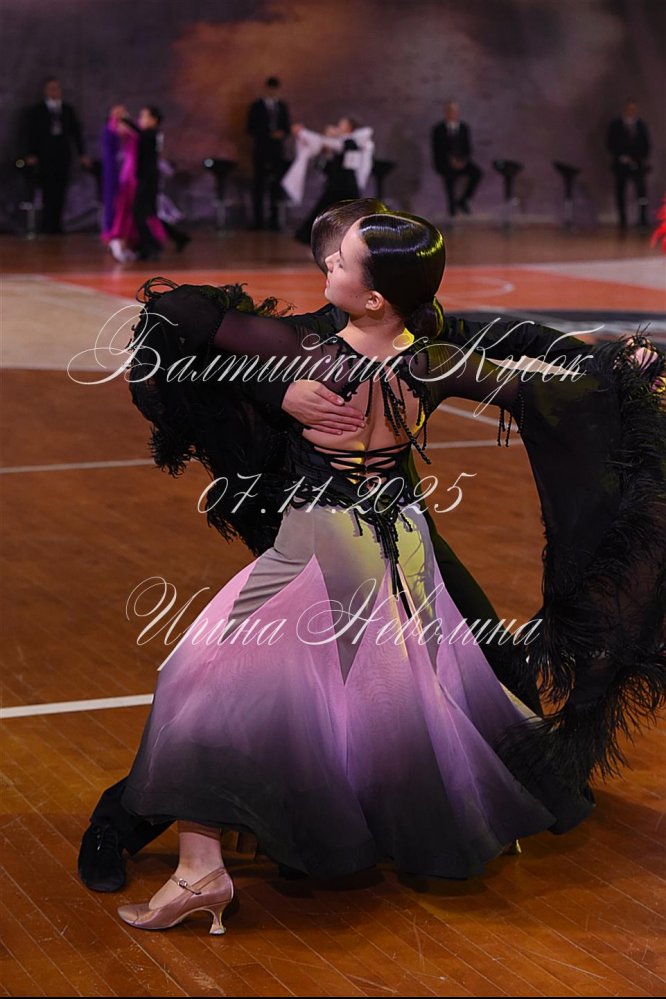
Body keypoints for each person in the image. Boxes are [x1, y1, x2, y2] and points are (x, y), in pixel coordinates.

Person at [101, 211, 662, 932]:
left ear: (371, 297)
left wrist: (271, 386)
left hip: (323, 544)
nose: (328, 265)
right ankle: (222, 861)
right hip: (404, 544)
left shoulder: (304, 352)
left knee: (201, 680)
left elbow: (176, 313)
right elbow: (543, 394)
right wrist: (622, 370)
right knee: (384, 702)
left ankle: (200, 870)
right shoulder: (432, 359)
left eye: (342, 261)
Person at [291, 117, 374, 244]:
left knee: (347, 210)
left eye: (342, 125)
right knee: (330, 209)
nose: (338, 127)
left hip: (345, 183)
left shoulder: (353, 141)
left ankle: (359, 238)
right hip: (340, 182)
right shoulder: (343, 141)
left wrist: (303, 133)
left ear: (349, 128)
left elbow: (331, 144)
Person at [24, 76, 89, 234]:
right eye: (50, 88)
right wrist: (31, 153)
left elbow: (76, 133)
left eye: (56, 88)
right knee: (47, 190)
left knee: (61, 190)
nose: (54, 91)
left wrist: (82, 153)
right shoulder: (38, 111)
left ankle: (57, 224)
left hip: (63, 155)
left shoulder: (67, 110)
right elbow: (30, 134)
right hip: (45, 156)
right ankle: (46, 224)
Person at [246, 77, 291, 231]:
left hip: (277, 152)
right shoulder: (256, 106)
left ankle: (274, 221)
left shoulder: (282, 106)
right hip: (261, 151)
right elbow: (250, 128)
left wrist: (282, 133)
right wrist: (267, 133)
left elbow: (287, 127)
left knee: (276, 187)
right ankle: (258, 221)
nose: (273, 91)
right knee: (259, 186)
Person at [122, 106, 166, 260]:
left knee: (138, 213)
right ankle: (148, 246)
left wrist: (125, 119)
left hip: (148, 179)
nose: (140, 120)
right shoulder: (151, 134)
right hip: (147, 178)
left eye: (144, 117)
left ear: (153, 120)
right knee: (144, 213)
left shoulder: (151, 134)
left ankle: (151, 246)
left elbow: (140, 133)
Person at [432, 100, 483, 217]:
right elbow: (437, 150)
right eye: (449, 111)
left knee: (477, 173)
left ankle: (463, 200)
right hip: (445, 163)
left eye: (454, 111)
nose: (452, 114)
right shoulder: (438, 129)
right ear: (445, 113)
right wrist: (451, 161)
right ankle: (452, 210)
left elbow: (468, 148)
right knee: (449, 177)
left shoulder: (464, 128)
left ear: (458, 113)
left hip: (462, 161)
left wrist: (463, 161)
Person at [606, 99, 651, 230]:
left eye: (633, 109)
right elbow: (610, 143)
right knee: (620, 192)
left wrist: (640, 158)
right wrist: (621, 156)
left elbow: (646, 144)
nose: (631, 111)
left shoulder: (641, 125)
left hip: (637, 163)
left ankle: (642, 219)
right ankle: (623, 220)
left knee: (641, 193)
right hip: (621, 164)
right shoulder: (615, 125)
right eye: (629, 109)